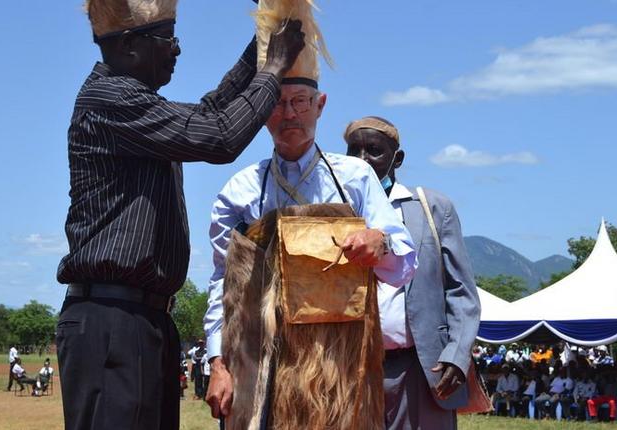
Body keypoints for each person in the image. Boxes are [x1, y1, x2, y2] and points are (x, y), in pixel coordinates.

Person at [55, 0, 306, 428]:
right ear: (131, 46)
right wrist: (274, 67)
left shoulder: (134, 105)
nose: (176, 50)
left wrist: (263, 43)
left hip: (141, 320)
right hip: (112, 322)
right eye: (167, 40)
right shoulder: (110, 99)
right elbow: (219, 137)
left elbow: (210, 113)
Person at [204, 42, 417, 428]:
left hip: (342, 372)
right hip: (262, 369)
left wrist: (379, 243)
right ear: (260, 112)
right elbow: (223, 285)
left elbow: (403, 263)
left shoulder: (355, 179)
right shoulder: (241, 192)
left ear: (320, 105)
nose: (289, 114)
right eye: (276, 102)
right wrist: (218, 363)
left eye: (300, 102)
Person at [344, 116, 481, 429]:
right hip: (353, 368)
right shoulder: (335, 212)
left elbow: (461, 291)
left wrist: (457, 355)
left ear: (397, 158)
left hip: (422, 369)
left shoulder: (431, 209)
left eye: (374, 151)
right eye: (355, 152)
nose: (363, 160)